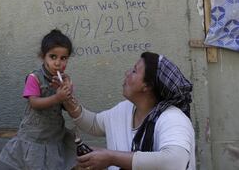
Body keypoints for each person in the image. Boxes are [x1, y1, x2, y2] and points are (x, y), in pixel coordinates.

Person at [63, 52, 196, 170]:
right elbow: (94, 124)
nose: (127, 73)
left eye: (134, 71)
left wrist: (111, 158)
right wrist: (68, 101)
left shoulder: (172, 118)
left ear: (147, 86)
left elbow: (175, 162)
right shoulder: (124, 109)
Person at [0, 29, 76, 170]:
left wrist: (67, 93)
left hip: (54, 137)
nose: (58, 63)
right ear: (43, 56)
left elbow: (68, 107)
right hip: (35, 138)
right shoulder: (34, 78)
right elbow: (34, 103)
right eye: (53, 57)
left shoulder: (64, 80)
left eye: (63, 58)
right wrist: (57, 97)